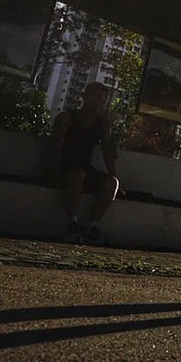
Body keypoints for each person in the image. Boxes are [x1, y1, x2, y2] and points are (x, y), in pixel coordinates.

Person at [49, 82, 120, 245]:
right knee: (77, 174)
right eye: (96, 97)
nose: (99, 102)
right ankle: (72, 224)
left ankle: (91, 227)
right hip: (66, 168)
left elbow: (108, 153)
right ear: (85, 97)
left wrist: (115, 178)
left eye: (103, 99)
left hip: (86, 170)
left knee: (111, 183)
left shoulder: (103, 124)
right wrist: (52, 172)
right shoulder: (67, 117)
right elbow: (55, 146)